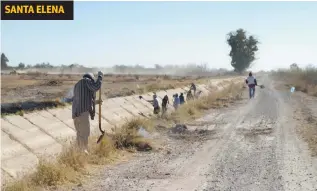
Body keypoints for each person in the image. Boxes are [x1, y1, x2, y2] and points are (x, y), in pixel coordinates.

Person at [72, 71, 103, 155]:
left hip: (75, 114)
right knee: (85, 133)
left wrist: (96, 102)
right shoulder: (86, 81)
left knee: (79, 134)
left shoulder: (77, 85)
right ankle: (84, 152)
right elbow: (96, 87)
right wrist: (100, 77)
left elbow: (85, 99)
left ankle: (77, 153)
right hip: (82, 113)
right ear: (91, 79)